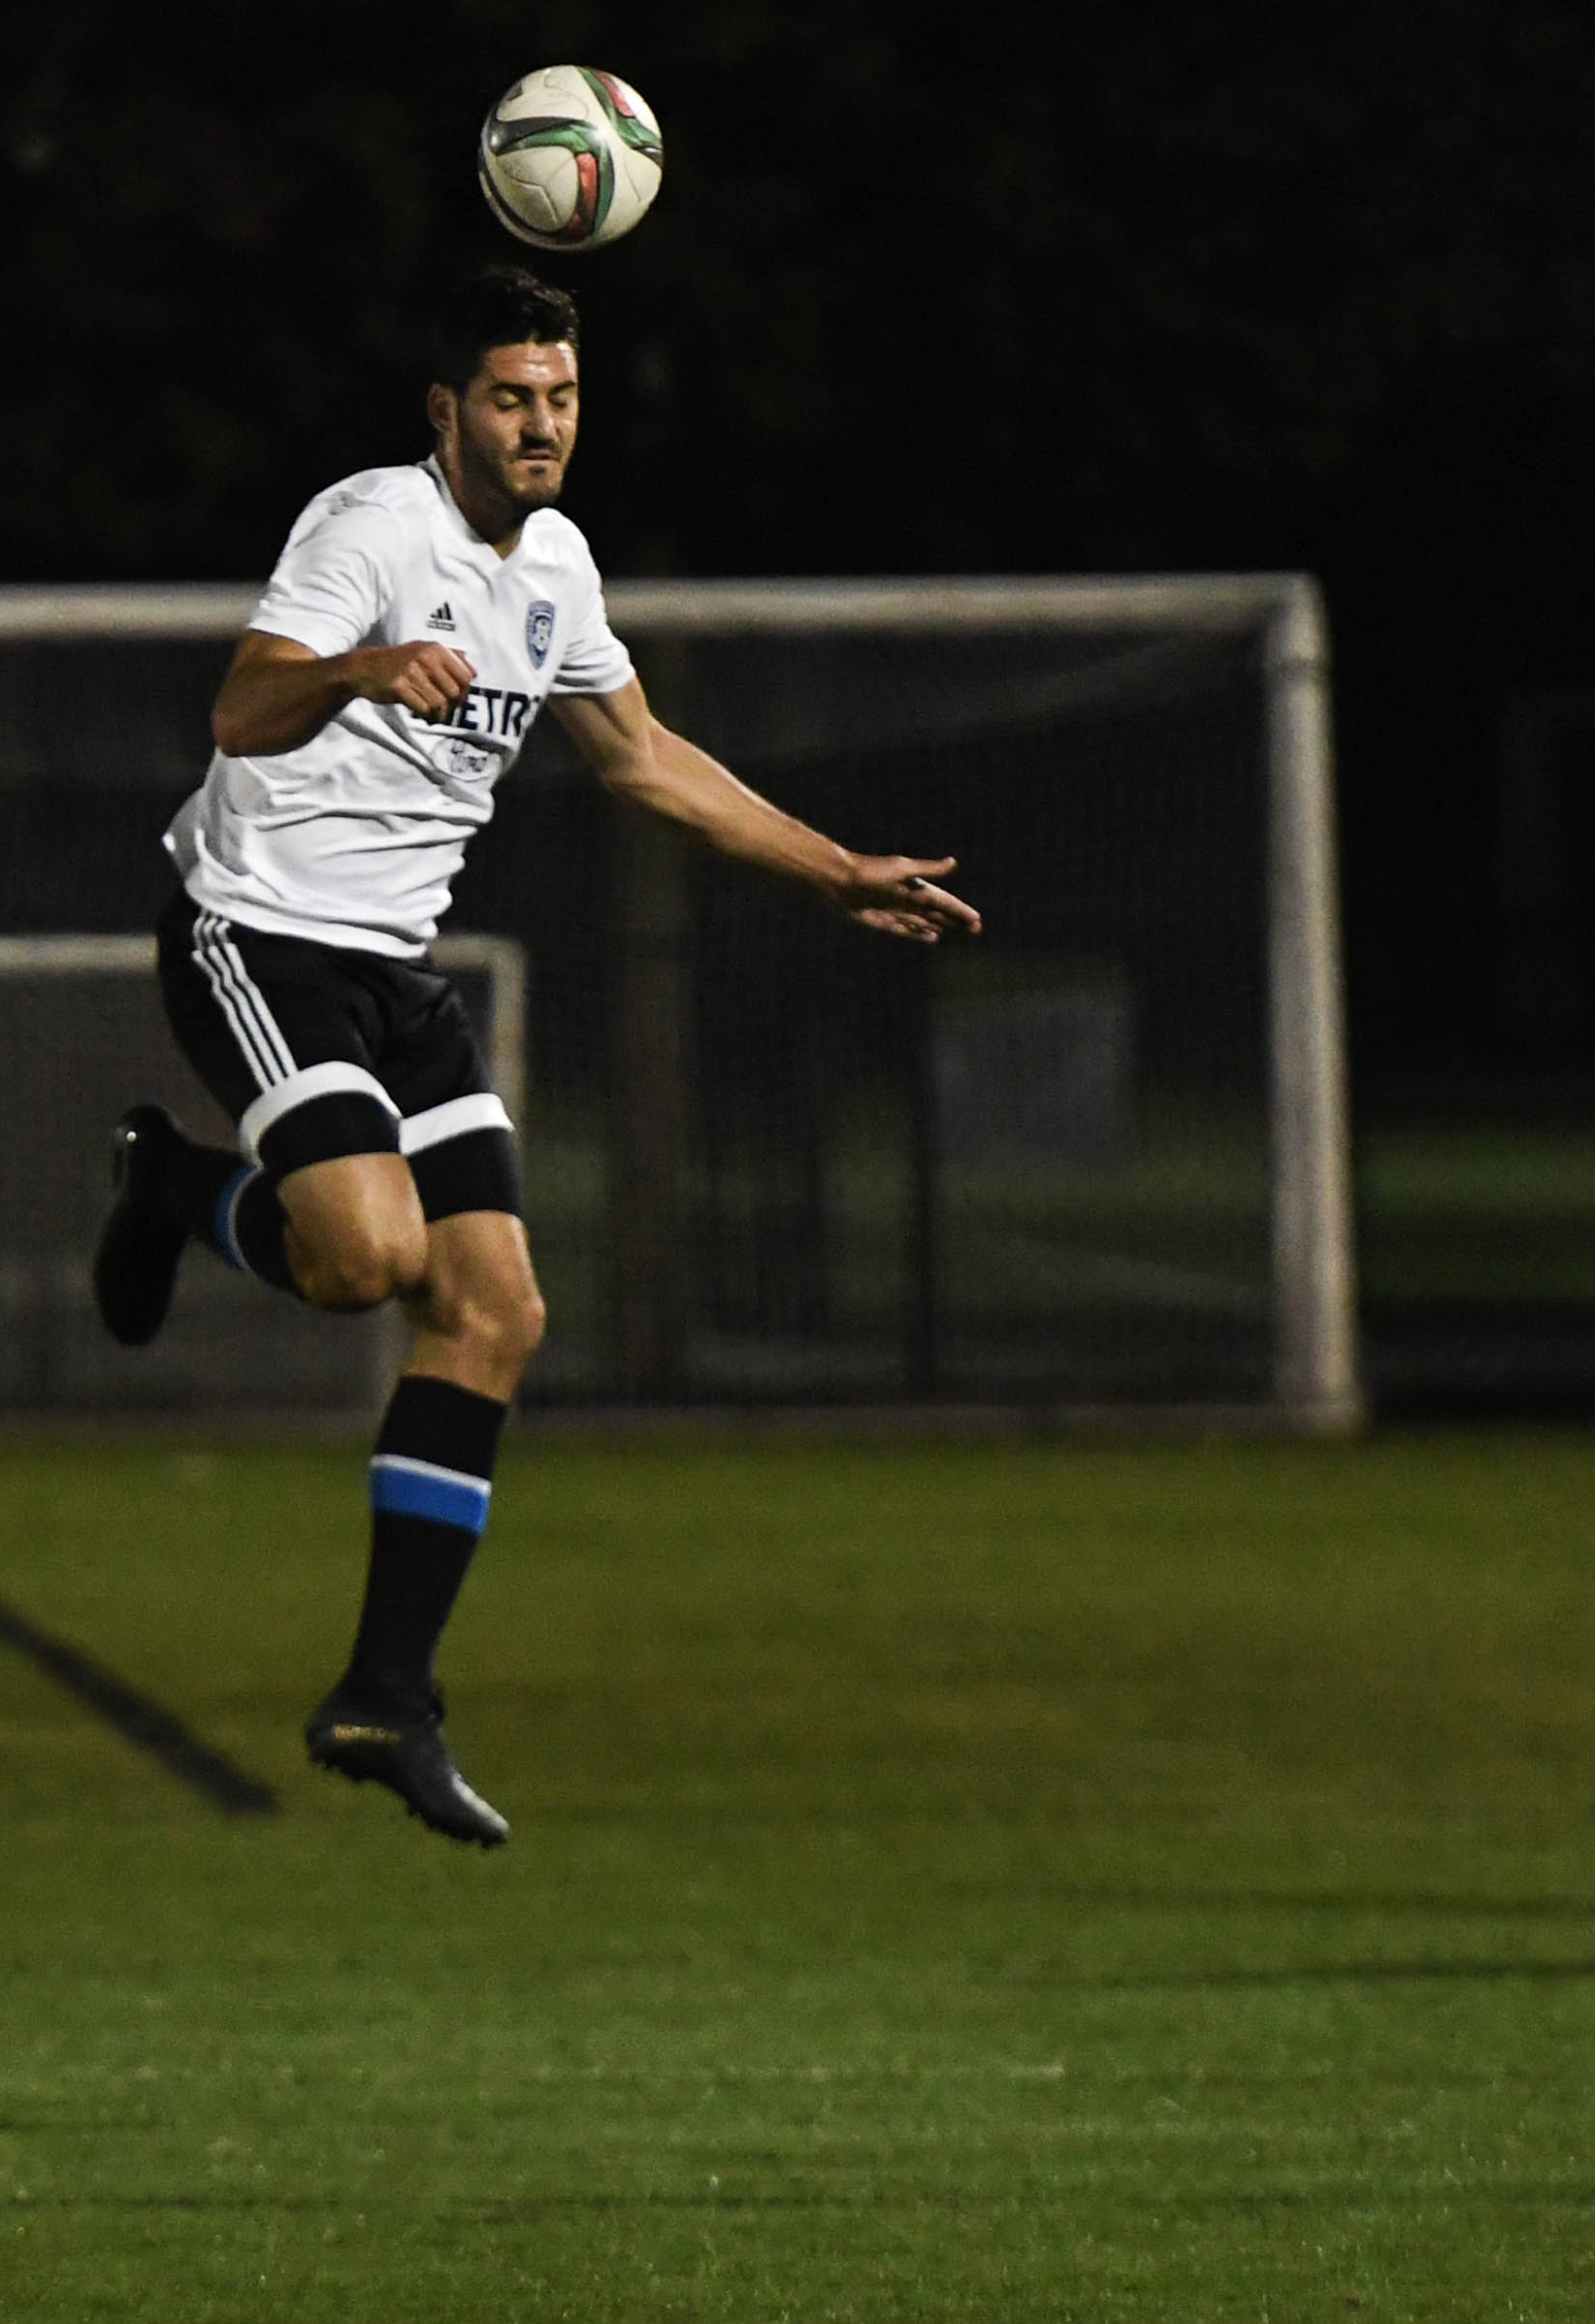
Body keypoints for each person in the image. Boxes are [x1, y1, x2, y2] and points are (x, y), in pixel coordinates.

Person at [93, 267, 979, 1845]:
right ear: (446, 411)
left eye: (561, 400)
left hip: (395, 972)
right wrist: (358, 668)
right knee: (367, 1261)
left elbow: (639, 757)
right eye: (510, 399)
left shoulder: (556, 566)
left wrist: (835, 869)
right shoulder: (370, 524)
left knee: (495, 1310)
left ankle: (385, 1695)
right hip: (258, 935)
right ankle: (172, 1187)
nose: (540, 427)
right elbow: (238, 711)